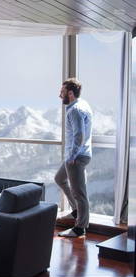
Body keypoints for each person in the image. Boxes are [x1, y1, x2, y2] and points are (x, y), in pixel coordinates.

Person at [55, 78, 93, 238]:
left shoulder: (75, 110)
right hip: (77, 156)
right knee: (59, 179)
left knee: (80, 193)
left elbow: (79, 135)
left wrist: (72, 156)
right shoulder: (82, 104)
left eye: (62, 92)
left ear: (70, 93)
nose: (59, 95)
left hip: (76, 157)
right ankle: (76, 210)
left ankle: (80, 228)